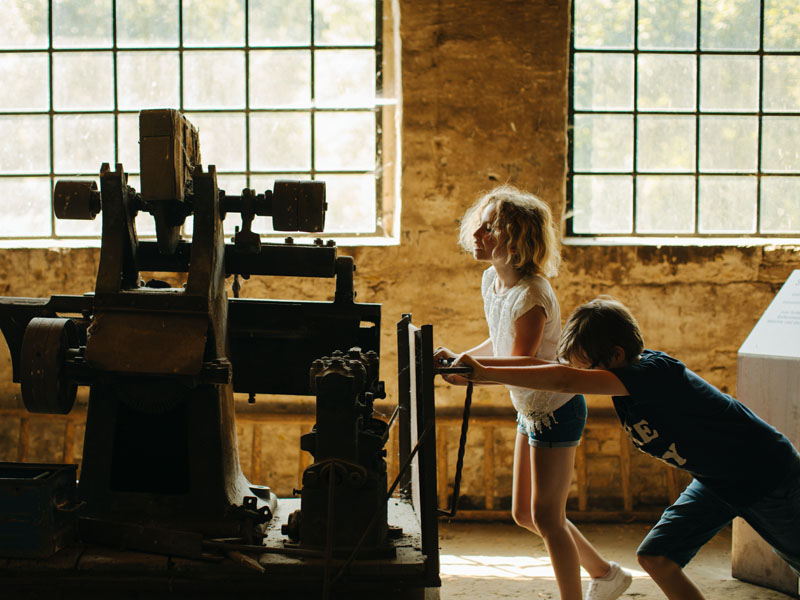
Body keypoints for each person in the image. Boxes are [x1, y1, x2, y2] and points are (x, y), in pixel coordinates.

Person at [453, 296, 800, 600]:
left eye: (587, 366)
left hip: (767, 473)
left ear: (617, 354)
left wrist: (484, 375)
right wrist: (471, 365)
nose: (583, 374)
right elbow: (558, 370)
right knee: (656, 557)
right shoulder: (623, 378)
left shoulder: (651, 373)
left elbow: (563, 379)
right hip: (718, 480)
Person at [435, 187, 631, 600]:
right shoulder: (493, 280)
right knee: (525, 513)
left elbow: (521, 366)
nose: (477, 234)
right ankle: (606, 573)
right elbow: (500, 342)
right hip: (531, 407)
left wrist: (471, 374)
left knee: (546, 517)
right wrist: (462, 360)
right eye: (480, 225)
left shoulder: (532, 296)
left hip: (556, 409)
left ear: (516, 240)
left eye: (490, 228)